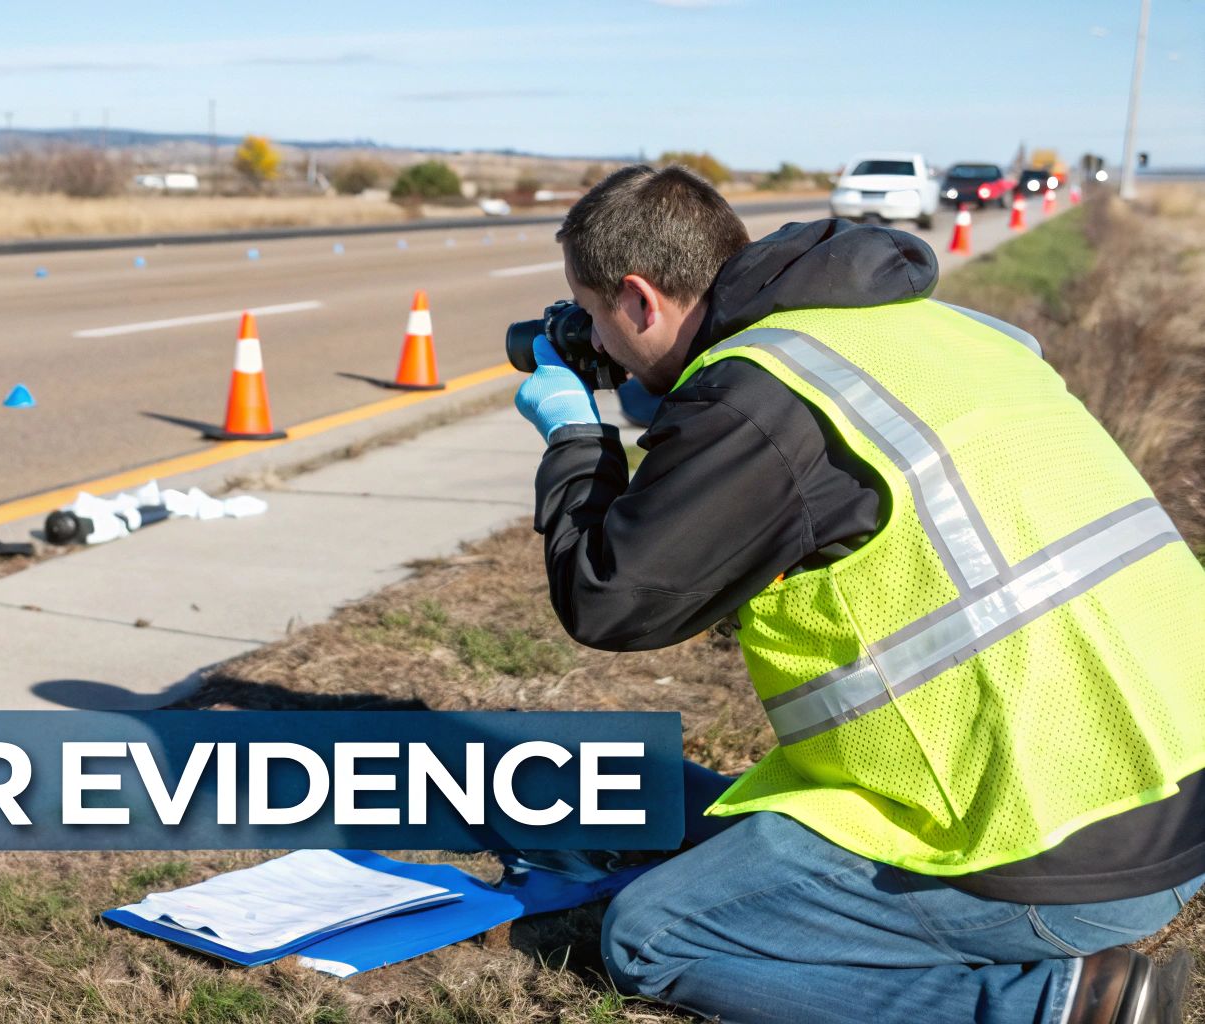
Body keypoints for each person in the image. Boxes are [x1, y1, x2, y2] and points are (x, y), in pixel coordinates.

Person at [513, 164, 1205, 1024]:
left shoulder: (760, 396)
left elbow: (613, 599)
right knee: (663, 803)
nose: (598, 343)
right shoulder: (921, 330)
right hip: (1163, 799)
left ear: (641, 300)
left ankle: (1049, 1008)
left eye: (595, 318)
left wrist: (578, 440)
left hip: (1047, 863)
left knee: (652, 934)